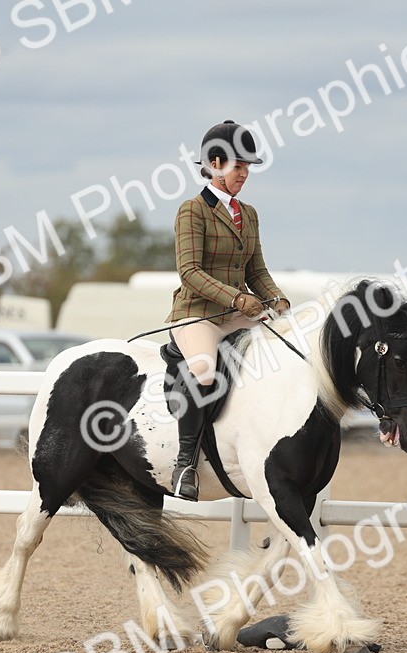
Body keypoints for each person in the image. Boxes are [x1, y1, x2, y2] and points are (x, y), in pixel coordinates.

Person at [166, 119, 290, 501]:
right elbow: (190, 272)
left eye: (248, 167)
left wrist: (278, 299)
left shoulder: (248, 214)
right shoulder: (192, 211)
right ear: (215, 163)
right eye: (239, 166)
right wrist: (236, 299)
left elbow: (257, 271)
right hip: (198, 314)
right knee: (204, 371)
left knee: (281, 357)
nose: (244, 174)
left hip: (239, 314)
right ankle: (185, 464)